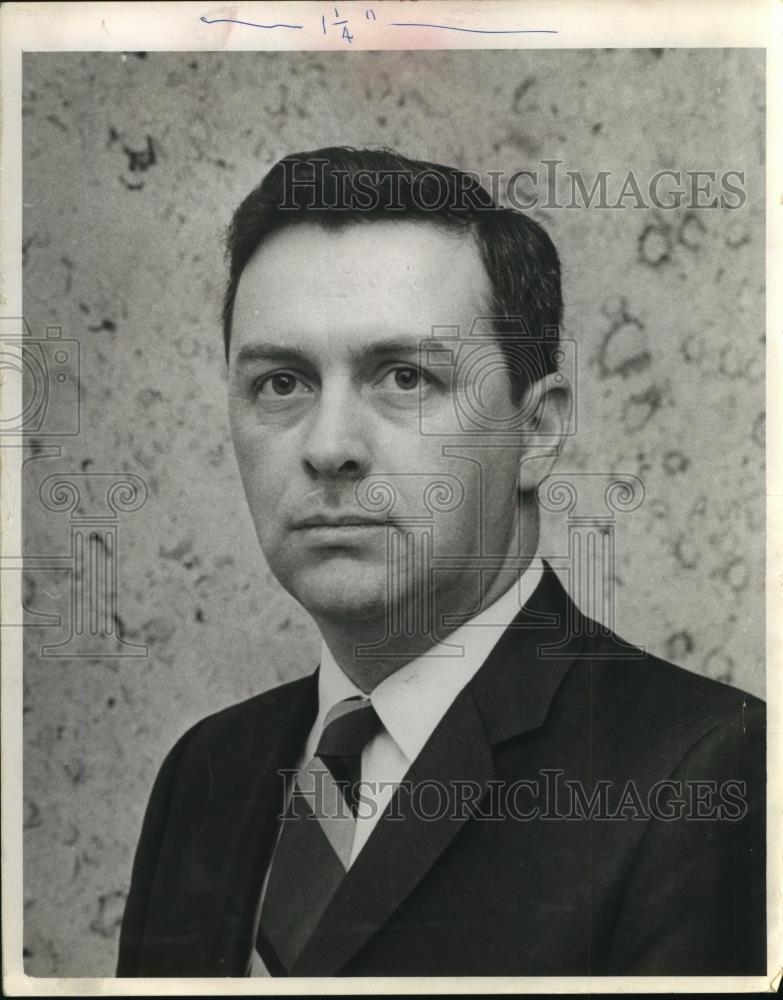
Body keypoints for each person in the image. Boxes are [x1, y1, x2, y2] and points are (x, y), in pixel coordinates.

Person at [116, 147, 765, 978]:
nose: (328, 448)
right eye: (281, 383)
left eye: (403, 377)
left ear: (537, 431)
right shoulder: (206, 773)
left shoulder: (699, 771)